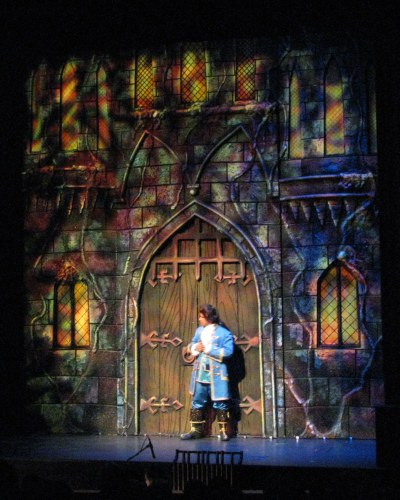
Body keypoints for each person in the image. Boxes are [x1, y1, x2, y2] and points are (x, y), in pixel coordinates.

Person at [181, 304, 234, 441]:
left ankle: (223, 431)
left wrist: (209, 349)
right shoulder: (199, 331)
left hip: (217, 375)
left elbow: (228, 351)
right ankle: (195, 430)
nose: (199, 319)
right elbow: (192, 344)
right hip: (201, 374)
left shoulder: (224, 333)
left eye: (201, 317)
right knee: (197, 401)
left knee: (221, 403)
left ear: (209, 317)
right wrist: (195, 347)